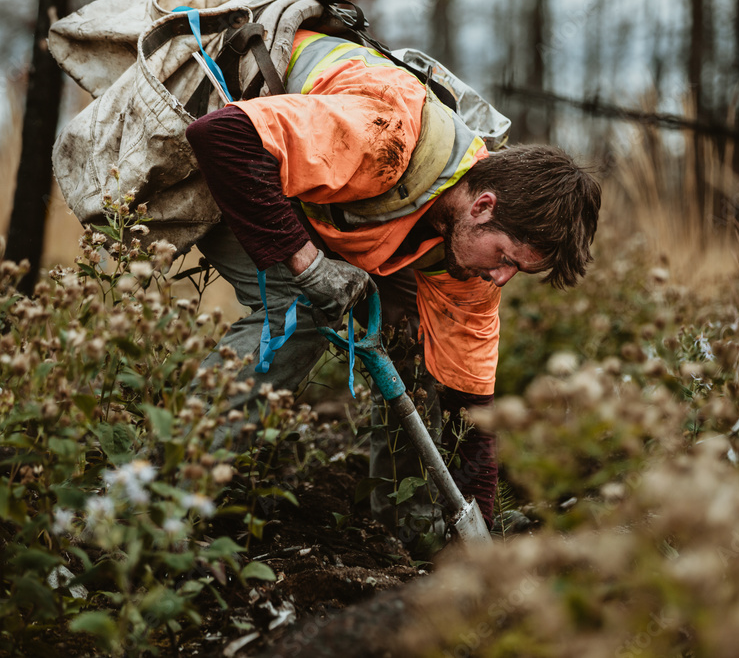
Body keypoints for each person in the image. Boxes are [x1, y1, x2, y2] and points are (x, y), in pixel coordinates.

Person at [184, 28, 601, 541]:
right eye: (506, 259)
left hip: (319, 183)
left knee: (420, 341)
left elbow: (469, 401)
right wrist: (312, 267)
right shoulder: (386, 135)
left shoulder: (469, 258)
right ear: (483, 206)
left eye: (517, 271)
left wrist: (481, 528)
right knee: (304, 310)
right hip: (237, 154)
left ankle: (415, 527)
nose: (500, 278)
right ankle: (160, 493)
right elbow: (221, 137)